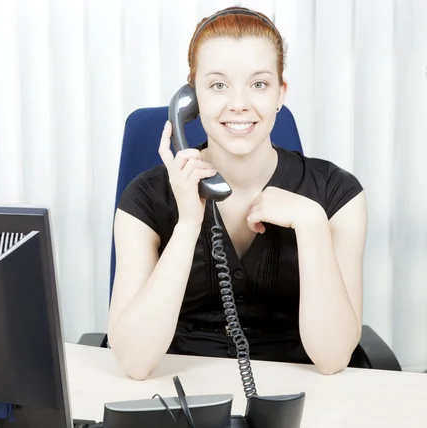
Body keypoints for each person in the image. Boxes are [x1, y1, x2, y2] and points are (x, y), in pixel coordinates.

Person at [106, 6, 367, 381]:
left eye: (259, 84)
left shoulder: (337, 194)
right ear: (191, 98)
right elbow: (133, 362)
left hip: (299, 395)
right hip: (180, 393)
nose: (239, 103)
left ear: (281, 93)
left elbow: (332, 358)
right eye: (217, 85)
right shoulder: (145, 198)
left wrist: (312, 225)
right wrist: (188, 224)